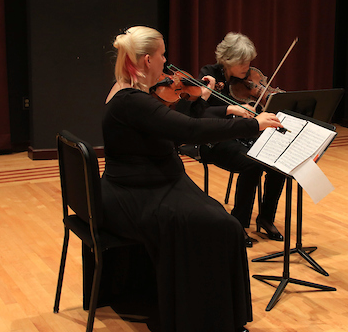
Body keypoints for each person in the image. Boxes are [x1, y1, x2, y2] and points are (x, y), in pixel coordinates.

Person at [100, 26, 283, 332]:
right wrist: (252, 124)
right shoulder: (133, 101)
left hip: (143, 184)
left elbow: (184, 120)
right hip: (136, 195)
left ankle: (200, 309)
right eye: (162, 55)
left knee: (217, 221)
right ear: (147, 60)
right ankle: (209, 320)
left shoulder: (128, 90)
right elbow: (189, 131)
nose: (166, 62)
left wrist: (205, 100)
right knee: (223, 227)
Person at [196, 32, 287, 246]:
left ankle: (266, 217)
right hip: (213, 139)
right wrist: (230, 109)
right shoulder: (208, 75)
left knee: (277, 161)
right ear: (228, 61)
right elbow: (200, 113)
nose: (248, 66)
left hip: (241, 135)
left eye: (249, 61)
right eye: (243, 62)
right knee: (251, 165)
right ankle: (238, 223)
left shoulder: (246, 81)